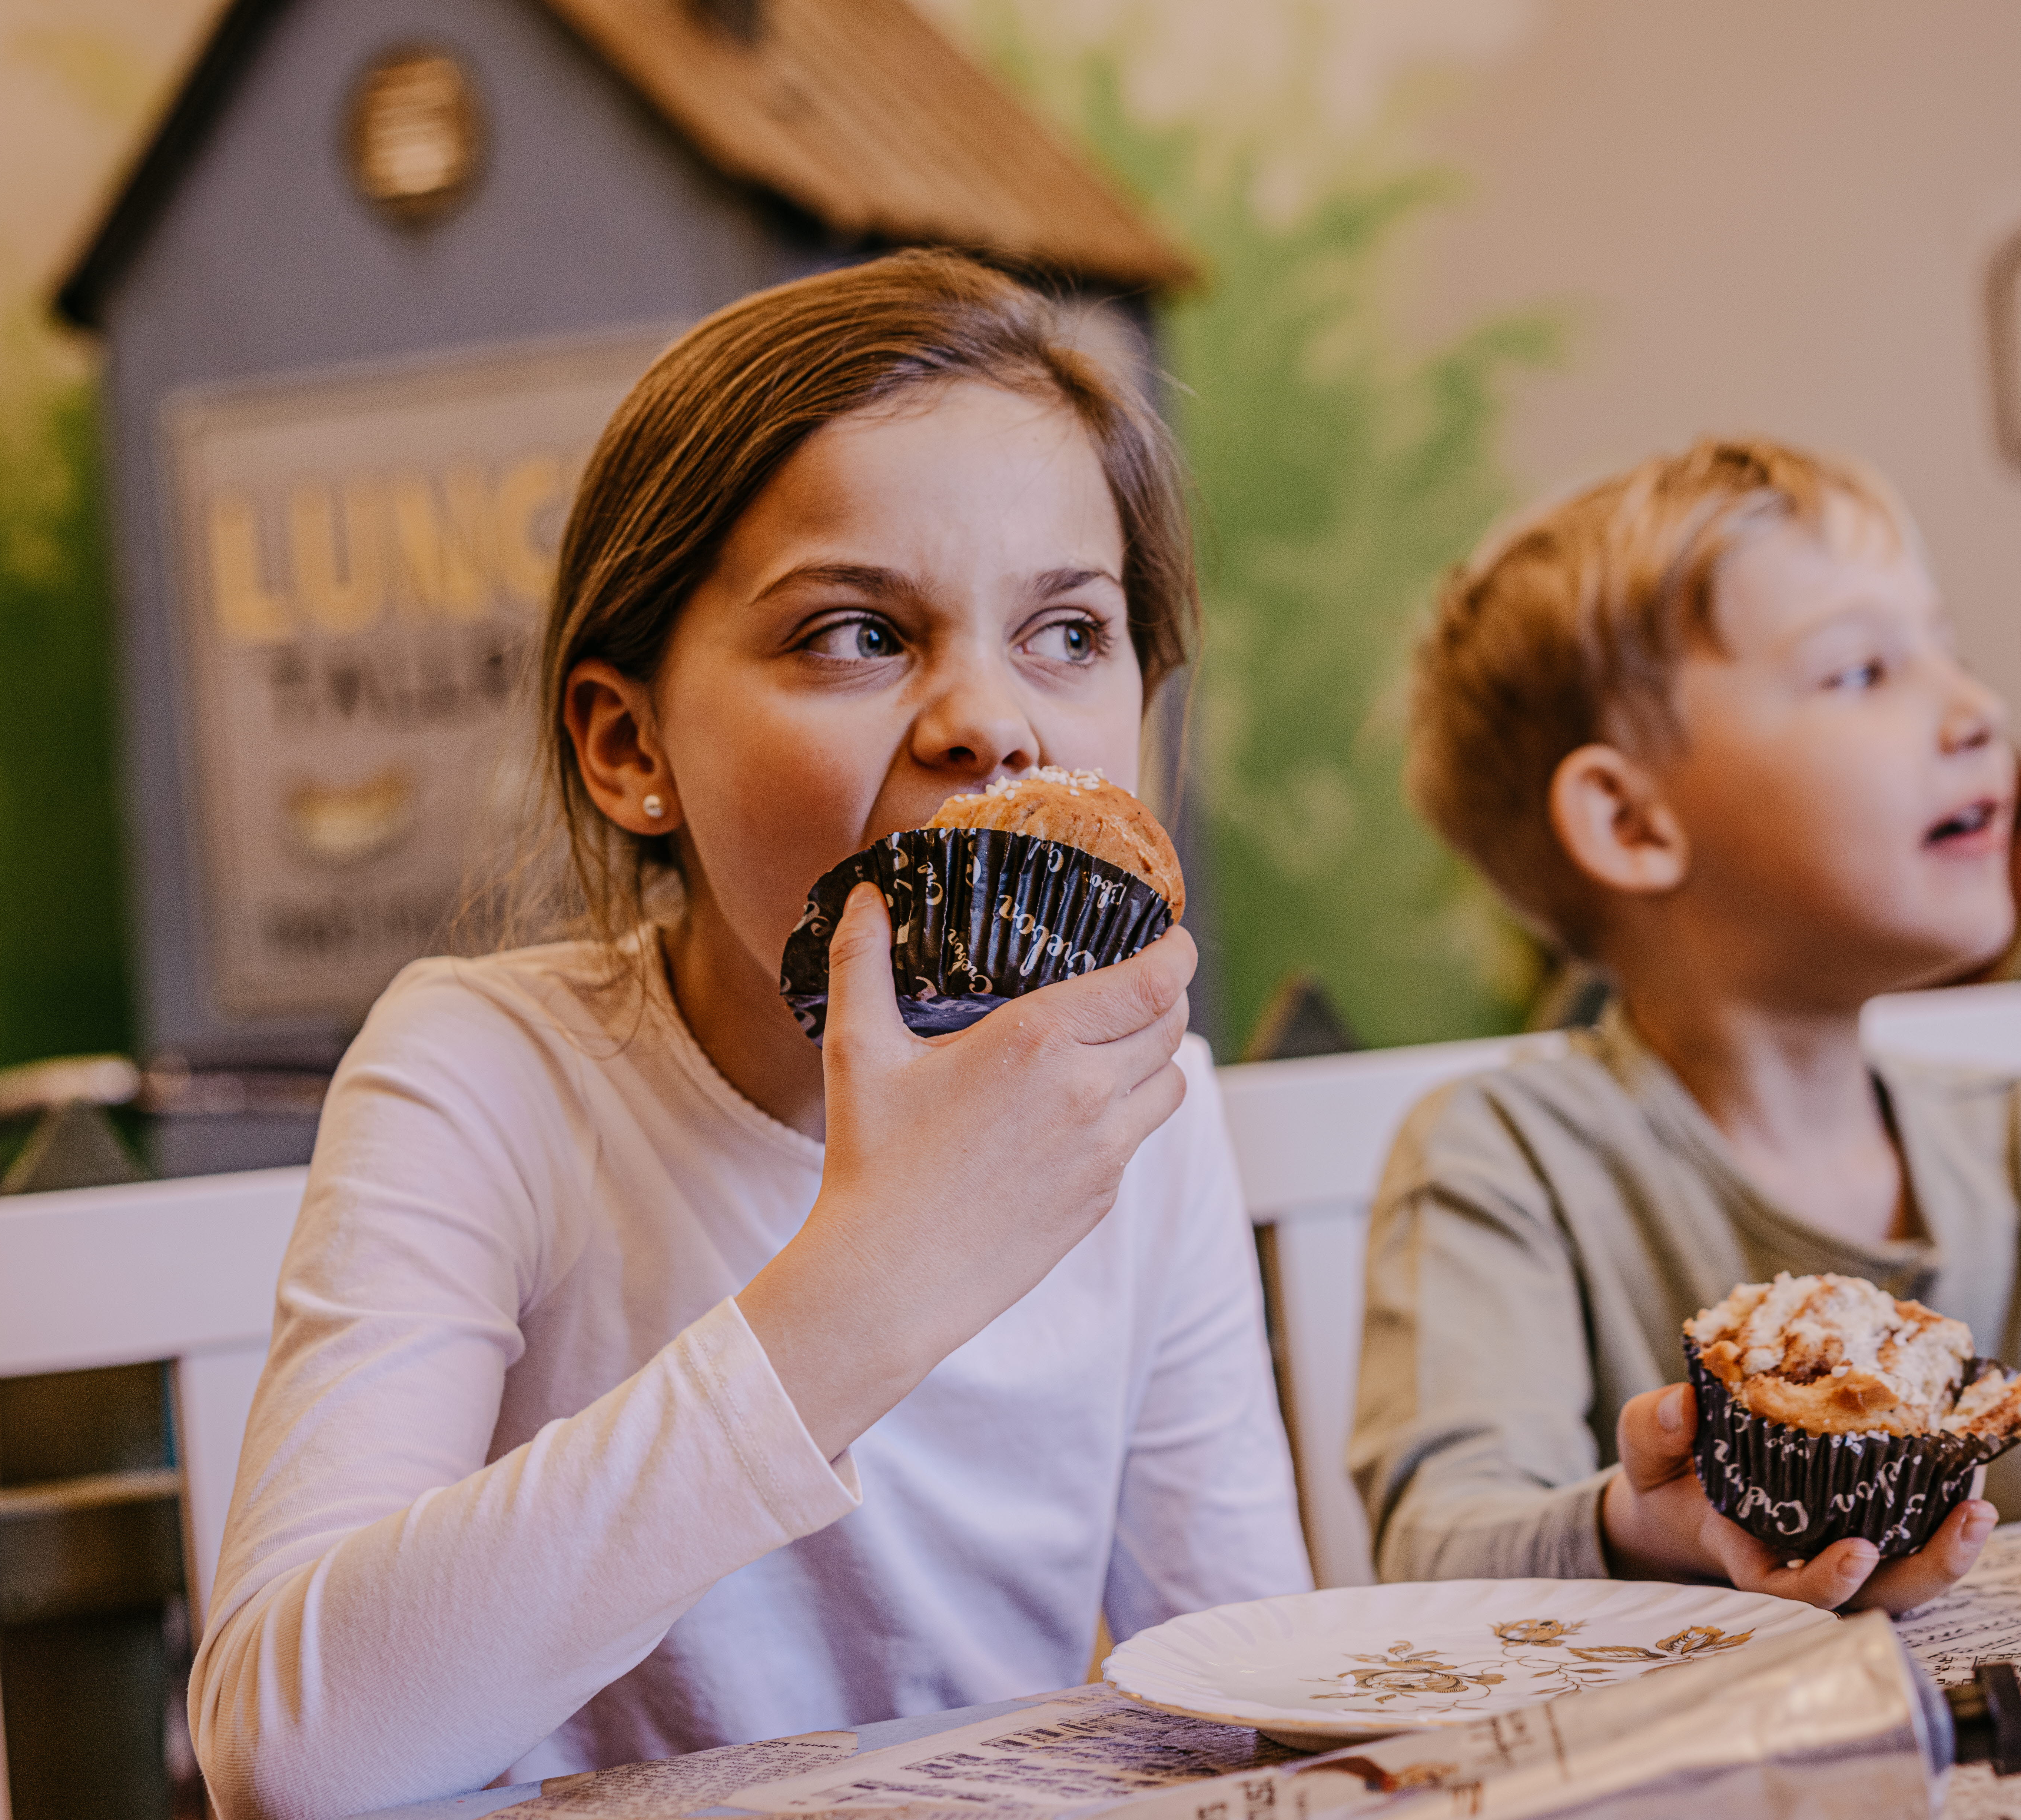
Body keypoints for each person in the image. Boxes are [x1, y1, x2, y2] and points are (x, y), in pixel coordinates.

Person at [187, 253, 1315, 1820]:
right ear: (630, 744)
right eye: (857, 633)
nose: (988, 718)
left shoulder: (1144, 1103)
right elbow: (287, 1754)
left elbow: (1249, 1694)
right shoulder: (485, 1071)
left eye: (1066, 630)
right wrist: (870, 1280)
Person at [1355, 437, 2021, 1614]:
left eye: (1954, 657)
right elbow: (1440, 1550)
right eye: (1862, 672)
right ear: (1631, 820)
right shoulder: (1507, 1158)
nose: (1978, 710)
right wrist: (1648, 1527)